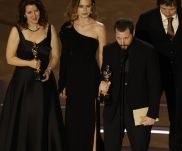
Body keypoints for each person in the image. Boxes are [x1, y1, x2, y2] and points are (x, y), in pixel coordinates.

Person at [0, 0, 64, 151]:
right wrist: (29, 63)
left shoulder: (49, 29)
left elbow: (55, 55)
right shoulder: (17, 30)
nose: (34, 15)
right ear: (24, 14)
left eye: (36, 11)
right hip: (23, 85)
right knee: (25, 119)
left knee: (43, 119)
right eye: (29, 12)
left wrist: (48, 69)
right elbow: (9, 58)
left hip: (44, 84)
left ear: (40, 10)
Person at [135, 0, 182, 150]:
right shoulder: (146, 19)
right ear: (159, 5)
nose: (168, 12)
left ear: (177, 5)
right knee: (146, 114)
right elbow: (139, 49)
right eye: (164, 8)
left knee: (177, 117)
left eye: (172, 9)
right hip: (154, 76)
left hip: (179, 77)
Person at [100, 18, 161, 151]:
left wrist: (152, 113)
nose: (122, 42)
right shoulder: (108, 50)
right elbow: (104, 75)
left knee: (140, 146)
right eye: (118, 38)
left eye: (126, 38)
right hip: (113, 109)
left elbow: (155, 84)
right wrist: (102, 91)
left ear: (132, 33)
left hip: (139, 110)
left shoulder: (147, 51)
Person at [58, 0, 106, 150]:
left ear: (92, 7)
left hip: (90, 79)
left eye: (88, 6)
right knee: (73, 120)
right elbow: (64, 56)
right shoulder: (66, 27)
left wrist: (103, 81)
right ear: (75, 7)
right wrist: (62, 83)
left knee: (90, 119)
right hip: (72, 80)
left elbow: (102, 57)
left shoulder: (99, 28)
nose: (85, 10)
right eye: (81, 6)